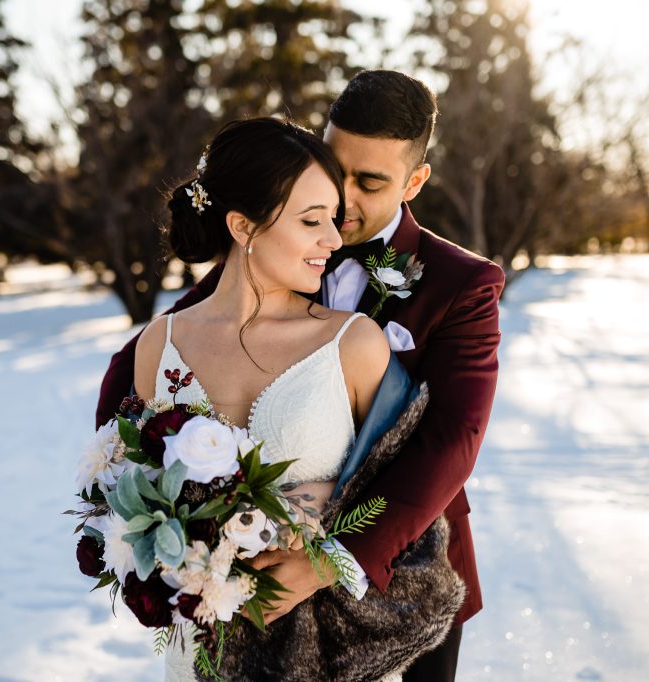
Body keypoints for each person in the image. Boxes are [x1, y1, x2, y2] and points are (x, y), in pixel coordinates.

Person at [98, 71, 504, 681]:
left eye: (369, 182)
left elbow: (452, 440)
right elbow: (154, 356)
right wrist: (141, 491)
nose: (343, 199)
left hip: (399, 562)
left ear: (415, 181)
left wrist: (336, 559)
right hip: (239, 587)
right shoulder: (281, 234)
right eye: (335, 167)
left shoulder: (460, 283)